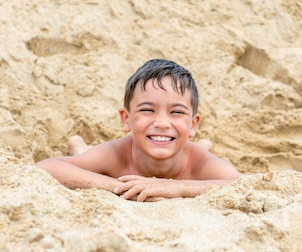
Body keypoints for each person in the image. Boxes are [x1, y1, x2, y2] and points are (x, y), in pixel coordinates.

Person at [36, 58, 241, 202]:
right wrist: (123, 188)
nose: (162, 122)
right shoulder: (116, 155)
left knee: (202, 151)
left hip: (192, 154)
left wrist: (179, 187)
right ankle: (79, 148)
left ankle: (201, 143)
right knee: (85, 159)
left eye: (176, 112)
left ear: (193, 125)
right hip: (109, 162)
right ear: (127, 120)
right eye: (147, 110)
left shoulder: (200, 163)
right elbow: (45, 168)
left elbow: (249, 185)